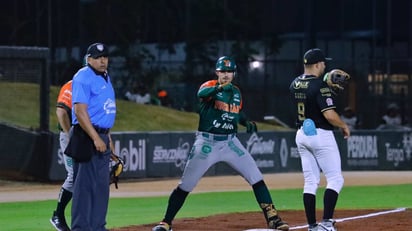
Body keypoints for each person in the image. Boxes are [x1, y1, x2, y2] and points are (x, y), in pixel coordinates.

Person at [152, 56, 289, 231]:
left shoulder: (237, 92)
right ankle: (166, 222)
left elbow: (236, 112)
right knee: (186, 185)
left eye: (229, 71)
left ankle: (273, 218)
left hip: (230, 143)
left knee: (256, 177)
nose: (226, 75)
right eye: (222, 71)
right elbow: (201, 95)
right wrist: (219, 88)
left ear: (234, 73)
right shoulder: (209, 86)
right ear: (217, 72)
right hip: (207, 143)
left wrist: (246, 122)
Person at [289, 48, 350, 231]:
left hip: (301, 134)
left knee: (310, 181)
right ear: (317, 64)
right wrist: (344, 126)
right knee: (335, 179)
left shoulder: (294, 83)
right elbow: (330, 115)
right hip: (320, 133)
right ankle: (326, 222)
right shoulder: (320, 86)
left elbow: (309, 98)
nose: (325, 65)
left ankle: (312, 226)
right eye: (323, 63)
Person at [68, 42, 116, 231]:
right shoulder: (82, 76)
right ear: (89, 59)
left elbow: (104, 110)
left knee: (101, 187)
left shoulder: (105, 77)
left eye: (104, 57)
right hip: (86, 135)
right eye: (97, 57)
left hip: (102, 135)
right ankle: (80, 228)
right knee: (84, 187)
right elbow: (80, 111)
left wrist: (107, 138)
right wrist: (96, 138)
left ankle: (98, 227)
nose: (102, 61)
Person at [50, 80, 74, 231]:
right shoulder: (73, 84)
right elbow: (61, 111)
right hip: (71, 137)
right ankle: (57, 214)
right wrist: (71, 135)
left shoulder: (100, 85)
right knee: (74, 174)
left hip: (89, 137)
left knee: (87, 176)